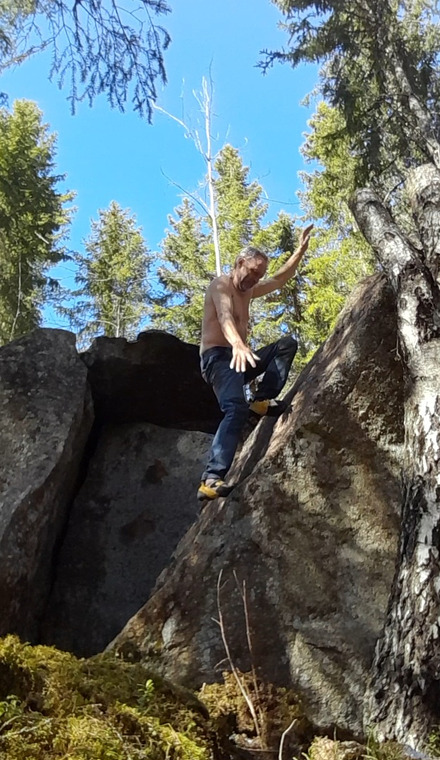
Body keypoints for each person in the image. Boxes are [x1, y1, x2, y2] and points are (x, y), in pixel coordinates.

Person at [197, 224, 313, 501]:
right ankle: (211, 479)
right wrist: (237, 344)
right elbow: (225, 316)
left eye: (258, 275)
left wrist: (299, 252)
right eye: (251, 272)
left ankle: (261, 400)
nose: (254, 279)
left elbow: (279, 280)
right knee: (234, 407)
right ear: (239, 263)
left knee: (286, 344)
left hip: (240, 358)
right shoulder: (221, 285)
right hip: (217, 358)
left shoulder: (248, 290)